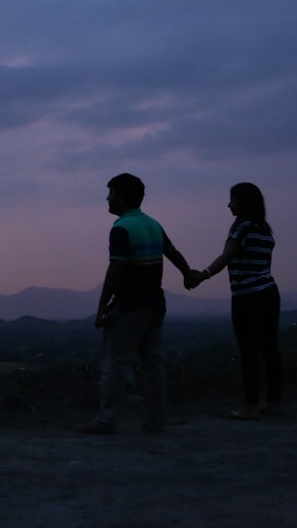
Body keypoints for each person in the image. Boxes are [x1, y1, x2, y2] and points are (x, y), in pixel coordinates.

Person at [78, 173, 194, 434]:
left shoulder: (121, 228)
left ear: (122, 196)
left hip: (130, 306)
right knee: (153, 364)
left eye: (110, 193)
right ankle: (156, 420)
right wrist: (187, 273)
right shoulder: (152, 224)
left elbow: (116, 268)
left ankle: (107, 420)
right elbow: (172, 253)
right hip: (154, 304)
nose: (107, 198)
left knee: (115, 362)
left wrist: (101, 307)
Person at [188, 182, 282, 420]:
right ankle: (272, 403)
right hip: (269, 293)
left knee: (248, 350)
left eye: (233, 200)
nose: (229, 204)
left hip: (247, 296)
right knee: (269, 348)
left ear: (245, 202)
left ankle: (250, 406)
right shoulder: (264, 230)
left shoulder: (241, 227)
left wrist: (203, 275)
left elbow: (227, 256)